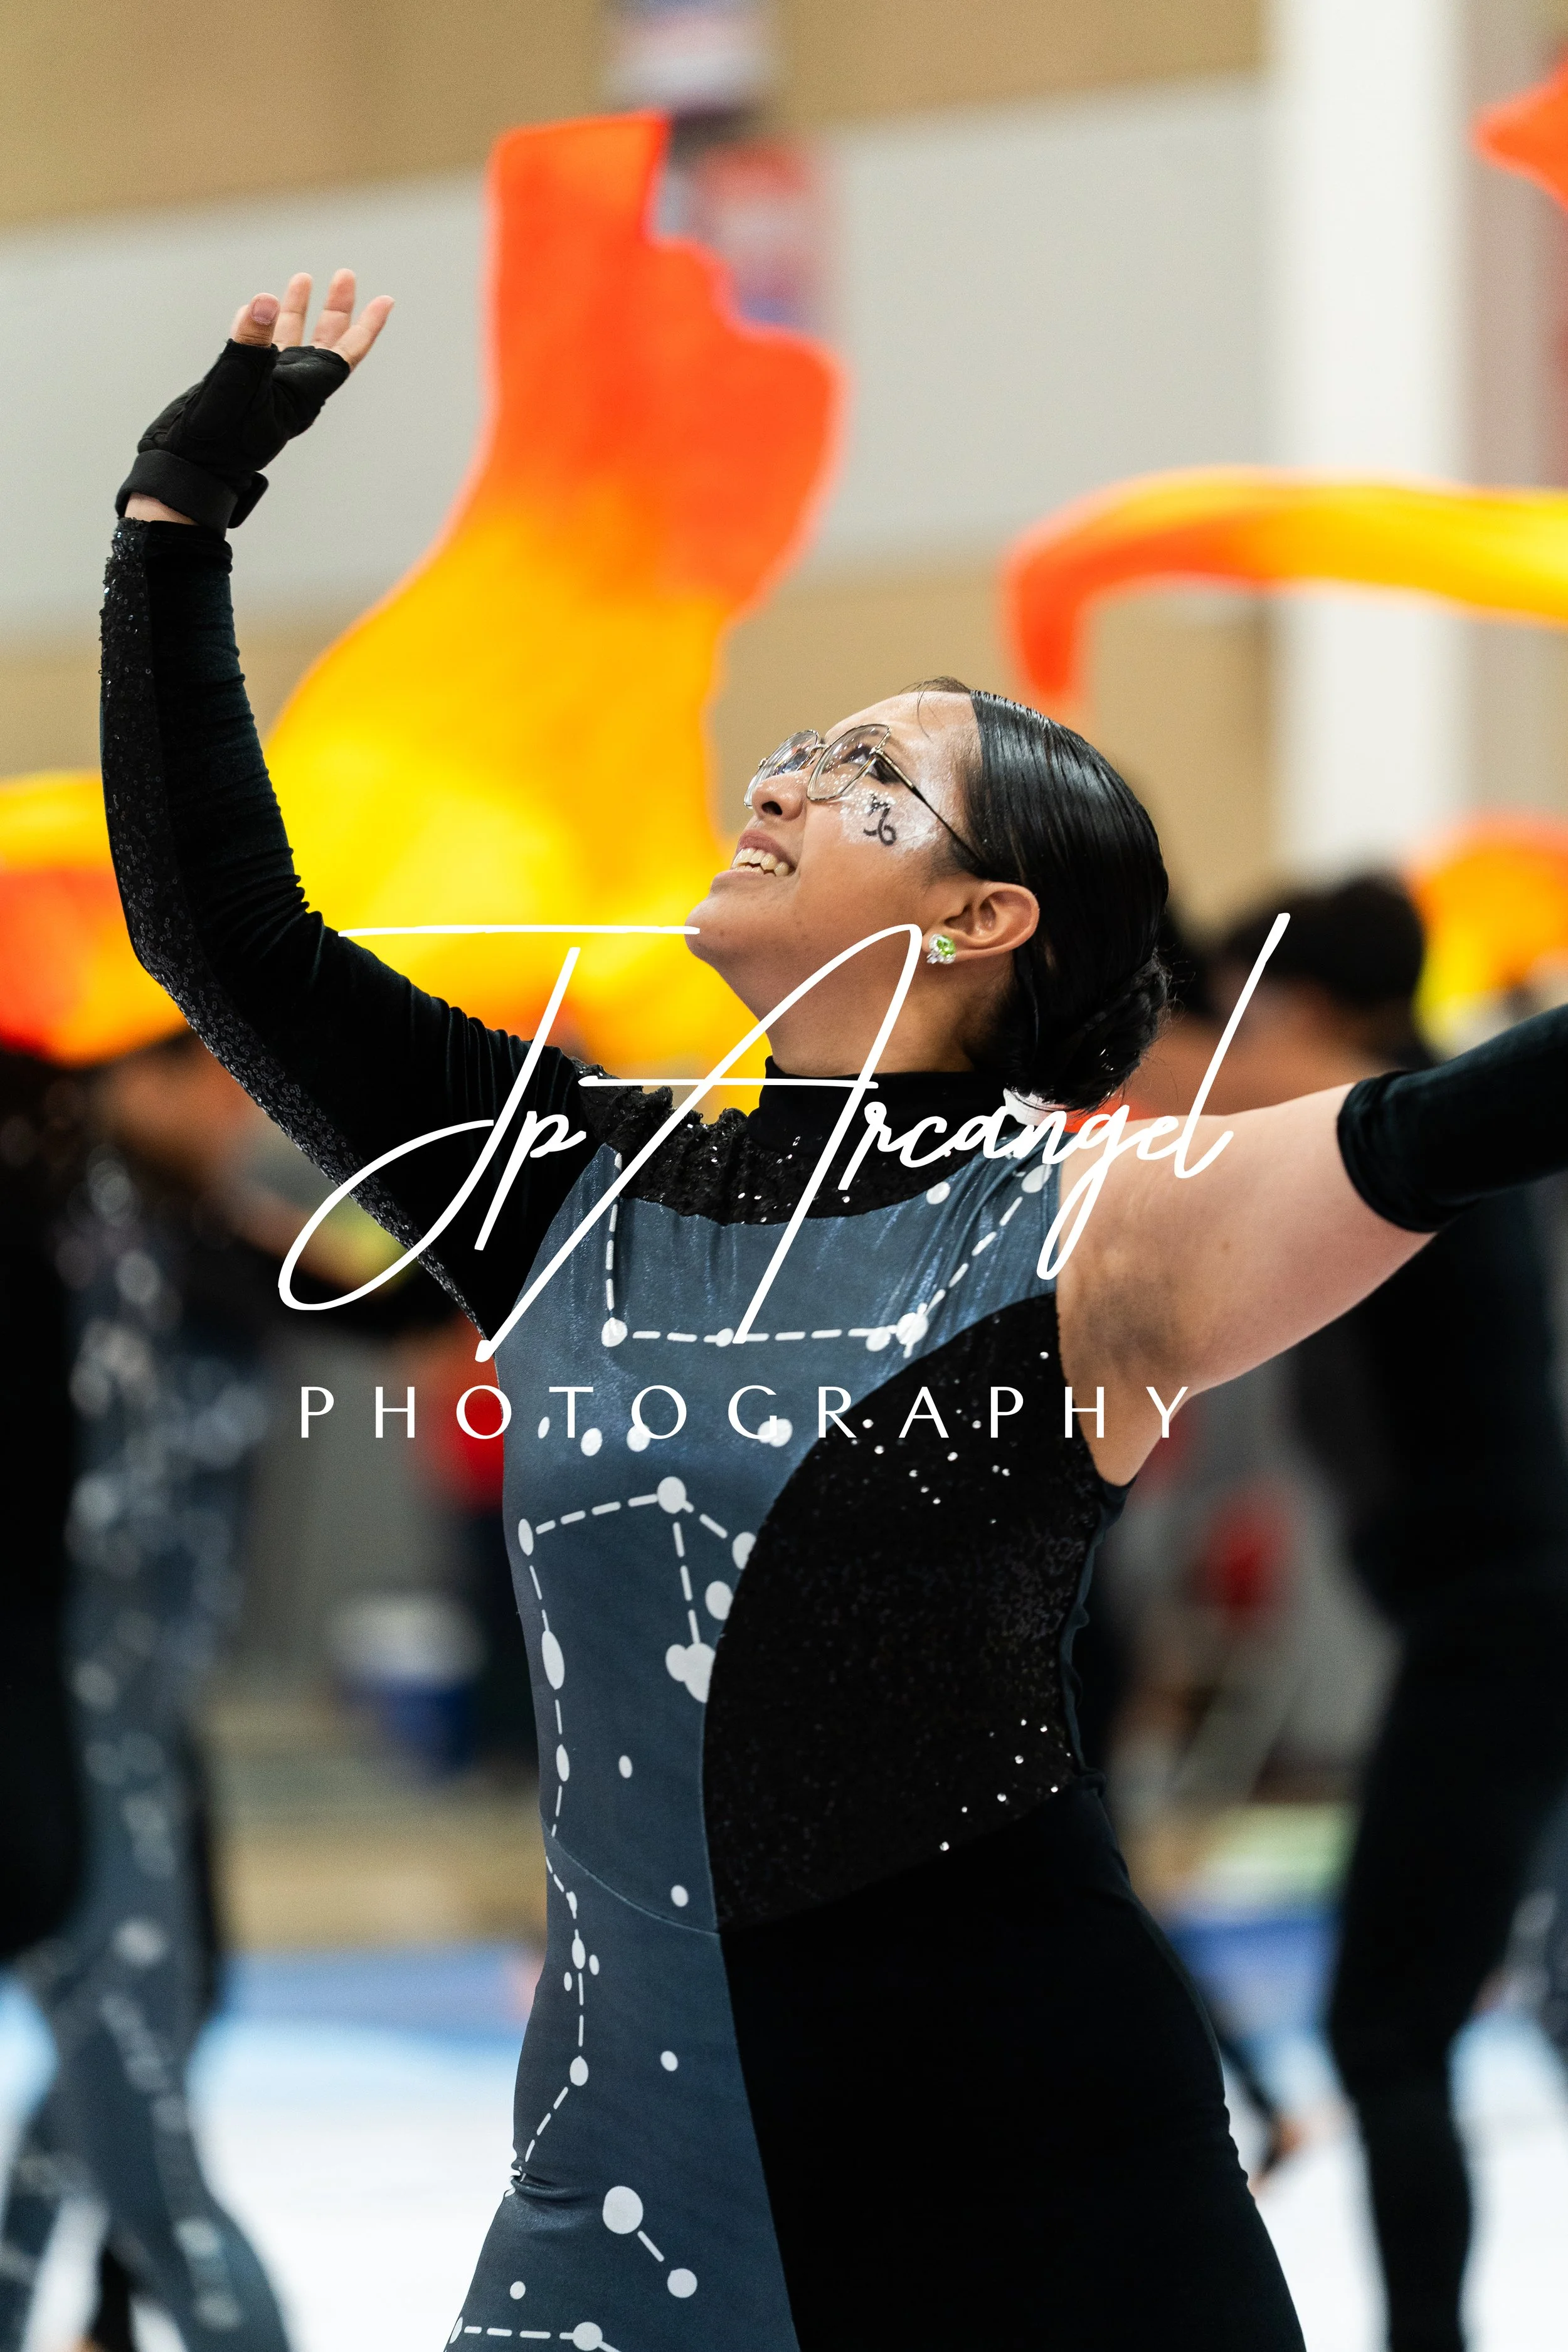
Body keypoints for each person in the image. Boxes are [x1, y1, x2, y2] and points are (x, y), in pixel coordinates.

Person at [95, 271, 1568, 2351]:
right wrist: (183, 504)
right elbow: (219, 922)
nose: (778, 778)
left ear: (985, 917)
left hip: (1037, 2168)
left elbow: (1466, 1116)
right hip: (631, 2169)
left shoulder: (1099, 1225)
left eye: (863, 773)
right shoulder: (551, 1174)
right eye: (796, 750)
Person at [1136, 877, 1568, 2352]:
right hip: (1495, 1626)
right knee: (1468, 2012)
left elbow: (1206, 1112)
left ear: (1303, 1018)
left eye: (1222, 1020)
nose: (1193, 1054)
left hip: (1505, 1630)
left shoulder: (1397, 1132)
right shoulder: (1393, 1131)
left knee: (1385, 2033)